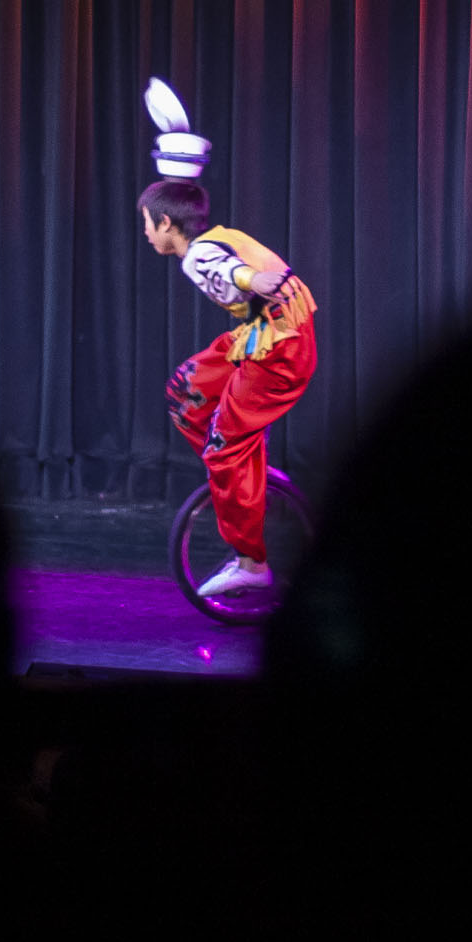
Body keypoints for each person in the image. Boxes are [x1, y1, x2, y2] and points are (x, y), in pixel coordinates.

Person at [139, 78, 316, 599]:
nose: (145, 233)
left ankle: (251, 563)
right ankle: (242, 463)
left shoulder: (200, 254)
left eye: (147, 224)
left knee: (222, 451)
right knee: (186, 390)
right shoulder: (216, 236)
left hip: (280, 351)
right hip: (262, 337)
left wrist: (253, 280)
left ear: (166, 222)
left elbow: (228, 270)